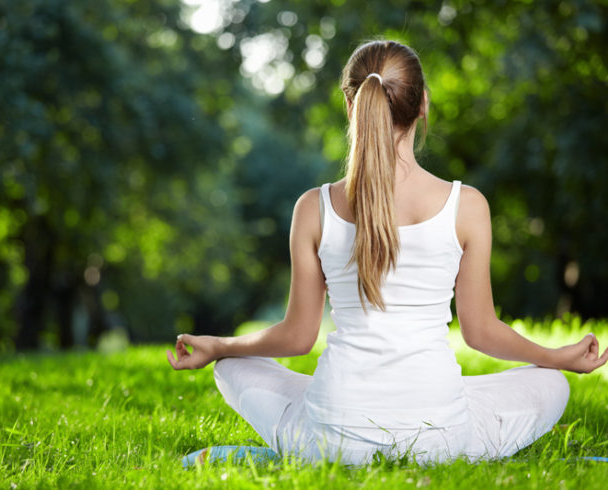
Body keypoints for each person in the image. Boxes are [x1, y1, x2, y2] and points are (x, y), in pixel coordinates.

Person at [167, 40, 607, 464]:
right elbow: (481, 332)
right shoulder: (467, 205)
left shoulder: (313, 208)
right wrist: (558, 358)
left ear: (350, 104)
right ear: (423, 105)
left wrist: (219, 345)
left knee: (229, 365)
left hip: (329, 439)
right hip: (442, 438)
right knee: (551, 383)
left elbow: (298, 337)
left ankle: (307, 435)